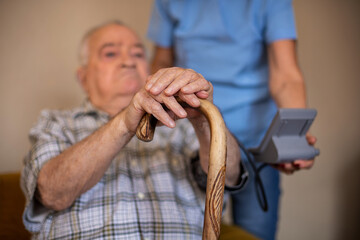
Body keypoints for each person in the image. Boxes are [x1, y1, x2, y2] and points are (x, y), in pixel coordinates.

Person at [20, 21, 255, 239]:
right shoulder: (57, 123)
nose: (129, 61)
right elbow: (51, 193)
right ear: (83, 78)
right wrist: (124, 123)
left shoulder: (180, 126)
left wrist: (203, 116)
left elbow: (230, 177)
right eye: (110, 53)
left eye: (138, 53)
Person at [147, 0, 317, 239]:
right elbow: (162, 61)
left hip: (255, 146)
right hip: (194, 142)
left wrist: (292, 140)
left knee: (253, 234)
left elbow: (285, 75)